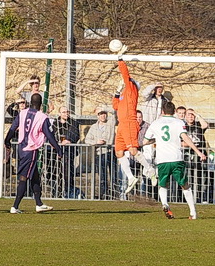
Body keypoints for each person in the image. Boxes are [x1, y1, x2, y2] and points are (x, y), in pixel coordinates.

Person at [144, 101, 207, 219]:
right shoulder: (178, 122)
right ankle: (193, 212)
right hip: (176, 158)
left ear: (162, 111)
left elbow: (145, 141)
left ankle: (165, 204)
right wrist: (198, 152)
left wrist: (156, 140)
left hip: (162, 159)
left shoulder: (155, 123)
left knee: (163, 185)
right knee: (185, 185)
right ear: (174, 112)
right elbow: (185, 137)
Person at [4, 93, 61, 213]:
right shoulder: (42, 117)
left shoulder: (22, 112)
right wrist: (58, 149)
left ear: (30, 102)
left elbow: (13, 128)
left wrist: (7, 140)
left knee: (35, 175)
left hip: (21, 148)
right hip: (31, 150)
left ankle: (39, 204)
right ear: (41, 104)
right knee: (24, 178)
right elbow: (49, 135)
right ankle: (15, 206)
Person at [112, 48, 156, 194]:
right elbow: (115, 106)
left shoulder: (131, 90)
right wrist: (117, 93)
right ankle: (131, 178)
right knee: (118, 152)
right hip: (122, 125)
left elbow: (125, 75)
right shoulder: (124, 94)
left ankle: (149, 169)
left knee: (132, 150)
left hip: (130, 123)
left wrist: (120, 59)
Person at [84, 108, 116, 199]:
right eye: (101, 114)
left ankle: (114, 193)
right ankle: (104, 194)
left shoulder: (110, 123)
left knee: (113, 175)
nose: (103, 116)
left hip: (110, 152)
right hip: (99, 153)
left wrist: (104, 107)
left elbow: (114, 112)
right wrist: (96, 142)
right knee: (102, 175)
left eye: (104, 113)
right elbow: (87, 140)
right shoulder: (94, 127)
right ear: (97, 116)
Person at [51, 106, 82, 198]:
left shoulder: (73, 122)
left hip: (69, 151)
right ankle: (57, 192)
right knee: (56, 171)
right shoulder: (55, 123)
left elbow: (76, 135)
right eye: (64, 112)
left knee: (68, 172)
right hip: (56, 151)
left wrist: (68, 140)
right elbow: (52, 134)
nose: (66, 114)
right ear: (60, 113)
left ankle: (69, 191)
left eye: (67, 112)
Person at [183, 108, 209, 203]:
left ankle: (202, 197)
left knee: (202, 176)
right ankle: (189, 198)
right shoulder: (183, 126)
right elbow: (179, 141)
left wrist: (196, 114)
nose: (191, 116)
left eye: (192, 115)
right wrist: (186, 144)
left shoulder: (198, 125)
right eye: (189, 115)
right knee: (189, 176)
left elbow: (205, 125)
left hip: (200, 154)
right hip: (187, 154)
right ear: (185, 116)